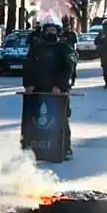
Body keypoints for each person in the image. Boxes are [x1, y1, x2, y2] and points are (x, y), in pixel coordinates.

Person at [22, 22, 75, 159]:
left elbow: (68, 69)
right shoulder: (36, 48)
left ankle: (65, 148)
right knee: (34, 119)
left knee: (61, 119)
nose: (50, 33)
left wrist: (60, 86)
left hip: (57, 91)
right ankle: (32, 148)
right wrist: (28, 84)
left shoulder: (64, 48)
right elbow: (28, 67)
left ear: (58, 32)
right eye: (48, 30)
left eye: (53, 30)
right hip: (38, 90)